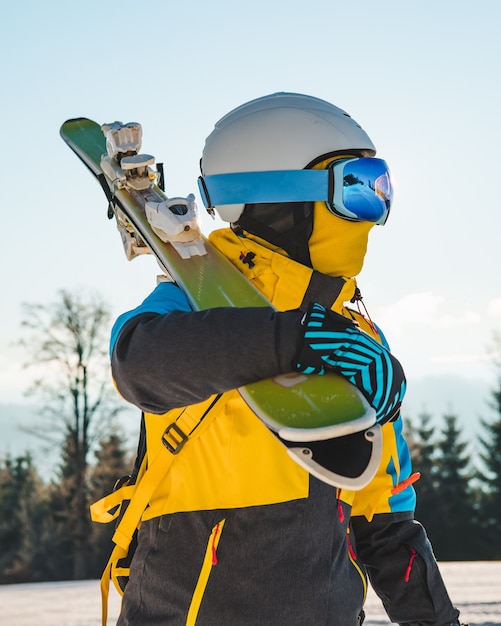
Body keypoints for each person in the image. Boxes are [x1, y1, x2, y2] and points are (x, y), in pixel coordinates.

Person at [105, 93, 465, 625]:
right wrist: (295, 336)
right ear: (280, 195)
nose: (377, 215)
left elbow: (384, 521)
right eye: (358, 189)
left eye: (382, 188)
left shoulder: (355, 338)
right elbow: (139, 361)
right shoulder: (200, 296)